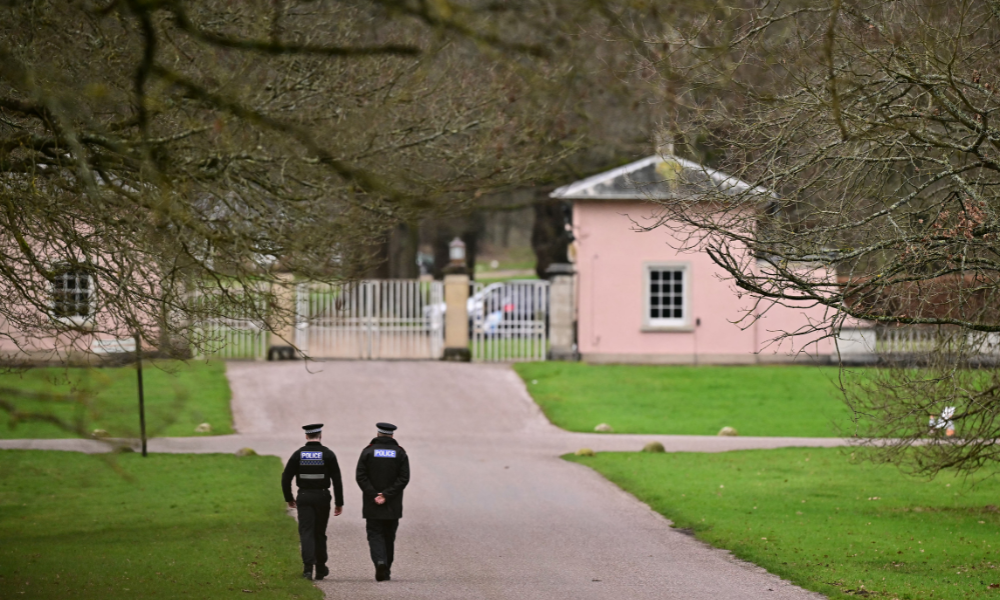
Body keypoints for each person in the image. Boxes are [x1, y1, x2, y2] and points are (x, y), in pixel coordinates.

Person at [282, 423, 344, 581]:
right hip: (322, 496)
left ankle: (308, 570)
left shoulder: (298, 454)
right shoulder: (328, 454)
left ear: (306, 436)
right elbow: (337, 480)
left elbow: (286, 478)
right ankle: (321, 568)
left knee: (306, 532)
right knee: (319, 532)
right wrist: (339, 502)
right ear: (320, 435)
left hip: (304, 496)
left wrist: (289, 498)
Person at [355, 422, 410, 582]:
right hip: (392, 504)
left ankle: (379, 562)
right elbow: (404, 478)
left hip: (372, 503)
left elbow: (360, 476)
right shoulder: (400, 453)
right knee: (389, 536)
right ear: (392, 434)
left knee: (374, 534)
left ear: (378, 433)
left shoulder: (368, 451)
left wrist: (374, 494)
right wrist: (386, 495)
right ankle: (386, 569)